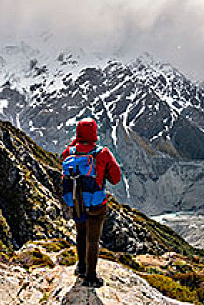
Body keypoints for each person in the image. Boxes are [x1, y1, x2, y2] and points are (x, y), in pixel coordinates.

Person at [60, 118, 121, 288]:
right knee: (93, 239)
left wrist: (76, 144)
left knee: (81, 233)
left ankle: (81, 267)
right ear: (95, 133)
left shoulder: (68, 152)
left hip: (76, 201)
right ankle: (91, 277)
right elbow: (116, 178)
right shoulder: (102, 153)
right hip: (96, 204)